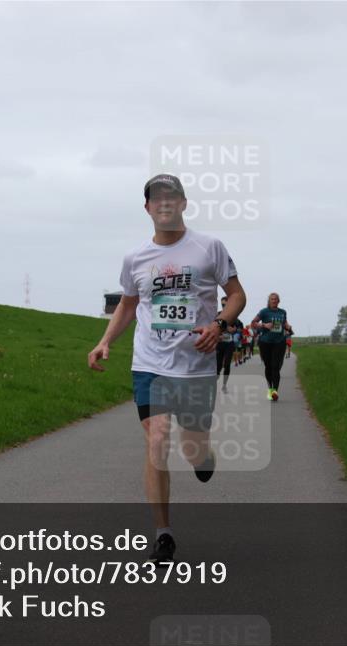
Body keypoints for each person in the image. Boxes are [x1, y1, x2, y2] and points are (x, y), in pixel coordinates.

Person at [88, 174, 245, 565]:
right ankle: (163, 535)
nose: (164, 204)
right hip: (150, 363)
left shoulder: (209, 248)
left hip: (195, 366)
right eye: (156, 199)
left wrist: (219, 325)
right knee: (157, 440)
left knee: (192, 448)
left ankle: (202, 456)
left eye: (171, 197)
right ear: (147, 208)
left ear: (183, 203)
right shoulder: (135, 258)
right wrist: (105, 341)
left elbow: (237, 295)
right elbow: (127, 304)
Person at [251, 293, 293, 401]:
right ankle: (270, 388)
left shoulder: (282, 312)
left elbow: (284, 324)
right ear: (269, 301)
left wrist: (288, 327)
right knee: (268, 366)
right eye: (272, 299)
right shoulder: (264, 312)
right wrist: (264, 325)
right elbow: (253, 323)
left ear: (278, 301)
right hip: (265, 342)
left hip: (279, 342)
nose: (274, 301)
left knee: (275, 366)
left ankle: (275, 391)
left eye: (275, 299)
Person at [215, 296, 237, 391]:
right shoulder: (218, 314)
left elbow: (238, 328)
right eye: (222, 304)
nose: (223, 306)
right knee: (218, 365)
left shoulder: (234, 315)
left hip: (229, 343)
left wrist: (235, 330)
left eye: (225, 304)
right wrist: (226, 328)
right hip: (220, 343)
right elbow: (214, 324)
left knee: (227, 364)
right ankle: (214, 382)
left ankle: (224, 385)